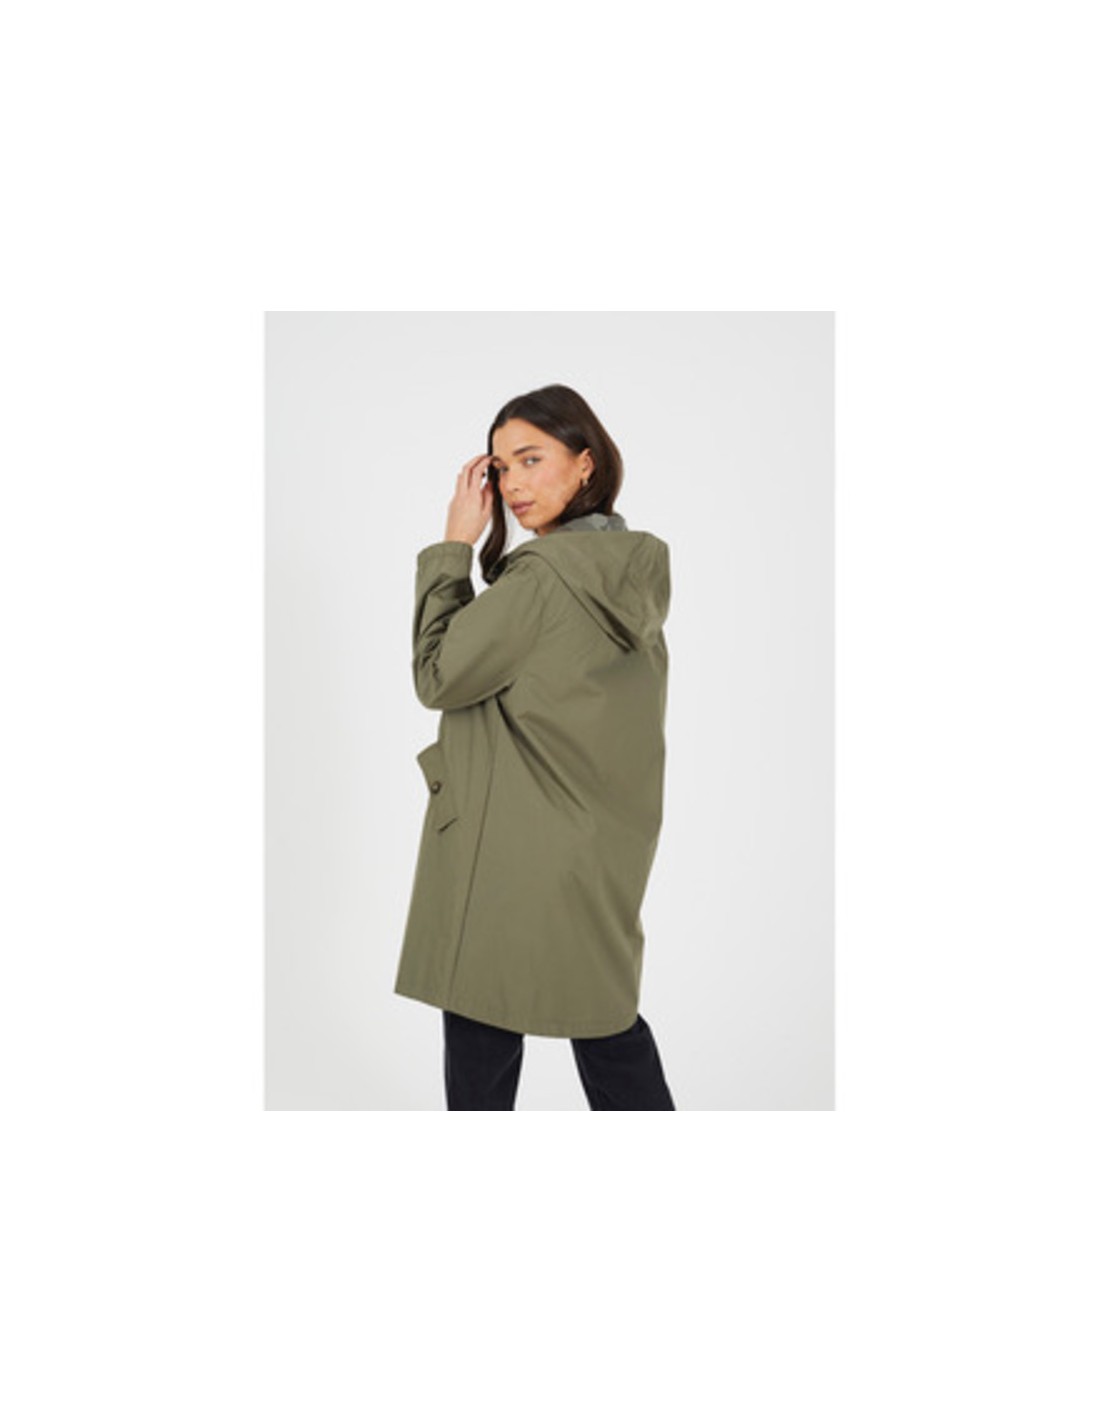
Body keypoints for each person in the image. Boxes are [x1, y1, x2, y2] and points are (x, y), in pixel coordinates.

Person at [394, 383, 675, 1110]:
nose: (513, 484)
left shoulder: (543, 580)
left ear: (585, 462)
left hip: (512, 854)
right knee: (607, 1028)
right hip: (596, 852)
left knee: (483, 1029)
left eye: (530, 459)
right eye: (500, 468)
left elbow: (438, 675)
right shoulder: (625, 577)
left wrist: (455, 547)